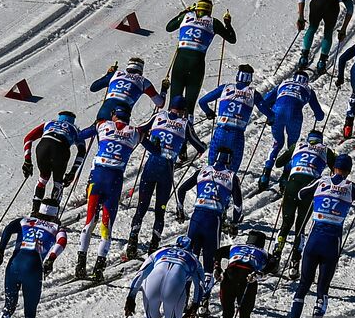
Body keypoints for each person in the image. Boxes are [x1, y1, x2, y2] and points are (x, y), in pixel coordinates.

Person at [285, 154, 355, 318]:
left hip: (313, 241)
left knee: (303, 285)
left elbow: (301, 194)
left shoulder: (321, 181)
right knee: (322, 289)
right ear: (348, 171)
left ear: (334, 168)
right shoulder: (351, 187)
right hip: (331, 244)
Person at [71, 105, 161, 281]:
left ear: (114, 116)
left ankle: (80, 265)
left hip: (97, 177)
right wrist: (155, 143)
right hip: (114, 180)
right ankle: (99, 268)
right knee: (106, 225)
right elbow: (156, 151)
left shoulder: (102, 125)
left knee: (89, 221)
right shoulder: (135, 132)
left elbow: (79, 136)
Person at [125, 96, 206, 259]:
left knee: (142, 205)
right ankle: (153, 245)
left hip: (151, 165)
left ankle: (132, 241)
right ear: (183, 110)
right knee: (160, 209)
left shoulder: (158, 116)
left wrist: (150, 140)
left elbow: (140, 130)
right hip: (166, 169)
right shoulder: (185, 124)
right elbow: (200, 146)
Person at [0, 199, 67, 318]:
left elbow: (8, 229)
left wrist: (1, 250)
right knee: (30, 313)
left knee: (8, 306)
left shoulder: (25, 220)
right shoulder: (56, 228)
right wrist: (51, 259)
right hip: (34, 267)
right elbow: (62, 241)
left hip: (14, 264)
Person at [175, 146, 243, 287]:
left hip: (196, 218)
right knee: (209, 262)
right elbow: (238, 206)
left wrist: (180, 209)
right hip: (213, 221)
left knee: (188, 258)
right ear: (230, 161)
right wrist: (235, 223)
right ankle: (203, 302)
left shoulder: (202, 171)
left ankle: (184, 296)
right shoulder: (232, 176)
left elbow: (181, 189)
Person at [269, 128, 335, 271]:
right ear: (320, 141)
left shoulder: (297, 146)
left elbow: (279, 163)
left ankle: (275, 256)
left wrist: (293, 161)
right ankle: (294, 263)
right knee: (300, 227)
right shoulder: (325, 150)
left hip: (292, 185)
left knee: (286, 224)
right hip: (309, 189)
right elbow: (337, 170)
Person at [208, 231, 274, 318]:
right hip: (248, 279)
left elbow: (218, 252)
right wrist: (260, 273)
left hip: (229, 276)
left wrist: (217, 267)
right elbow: (275, 265)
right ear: (262, 243)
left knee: (226, 314)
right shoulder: (264, 253)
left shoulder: (235, 247)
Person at [164, 0, 237, 114]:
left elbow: (169, 27)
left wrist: (184, 11)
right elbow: (232, 39)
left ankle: (168, 124)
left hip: (180, 62)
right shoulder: (214, 22)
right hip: (197, 65)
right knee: (189, 104)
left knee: (174, 100)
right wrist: (228, 24)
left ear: (196, 9)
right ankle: (187, 126)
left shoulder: (186, 16)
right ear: (210, 11)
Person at [258, 69, 325, 190]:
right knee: (292, 147)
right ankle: (285, 177)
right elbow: (319, 115)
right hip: (295, 115)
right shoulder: (308, 89)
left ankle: (265, 174)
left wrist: (270, 115)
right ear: (306, 81)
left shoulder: (283, 84)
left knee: (277, 142)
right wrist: (318, 115)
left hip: (277, 111)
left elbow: (265, 101)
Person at [198, 64, 271, 174]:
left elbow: (202, 101)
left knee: (211, 166)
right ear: (250, 79)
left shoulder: (226, 88)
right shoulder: (253, 93)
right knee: (232, 171)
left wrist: (209, 112)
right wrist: (271, 118)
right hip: (236, 135)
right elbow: (268, 113)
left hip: (220, 131)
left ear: (238, 76)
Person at [21, 110, 87, 202]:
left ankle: (35, 209)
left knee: (43, 177)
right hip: (61, 148)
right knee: (58, 182)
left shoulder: (49, 123)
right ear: (73, 120)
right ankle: (52, 211)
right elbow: (82, 151)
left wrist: (27, 160)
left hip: (43, 146)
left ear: (59, 117)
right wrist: (73, 171)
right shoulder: (75, 129)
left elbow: (28, 138)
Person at [296, 0, 355, 71]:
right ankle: (321, 63)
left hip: (317, 2)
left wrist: (301, 17)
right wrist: (343, 29)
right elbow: (350, 9)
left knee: (312, 28)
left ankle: (304, 58)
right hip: (332, 6)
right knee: (328, 32)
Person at [89, 57, 164, 122]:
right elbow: (160, 104)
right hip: (122, 116)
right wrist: (164, 90)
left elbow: (93, 88)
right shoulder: (144, 82)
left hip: (105, 111)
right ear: (141, 70)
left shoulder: (116, 74)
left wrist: (108, 75)